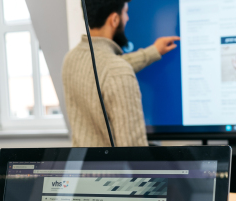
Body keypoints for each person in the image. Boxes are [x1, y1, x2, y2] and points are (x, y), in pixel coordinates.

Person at [63, 0, 180, 147]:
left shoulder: (70, 60)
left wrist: (153, 51)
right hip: (114, 170)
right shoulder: (118, 71)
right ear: (114, 20)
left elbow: (104, 69)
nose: (127, 18)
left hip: (83, 168)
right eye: (125, 12)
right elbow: (134, 152)